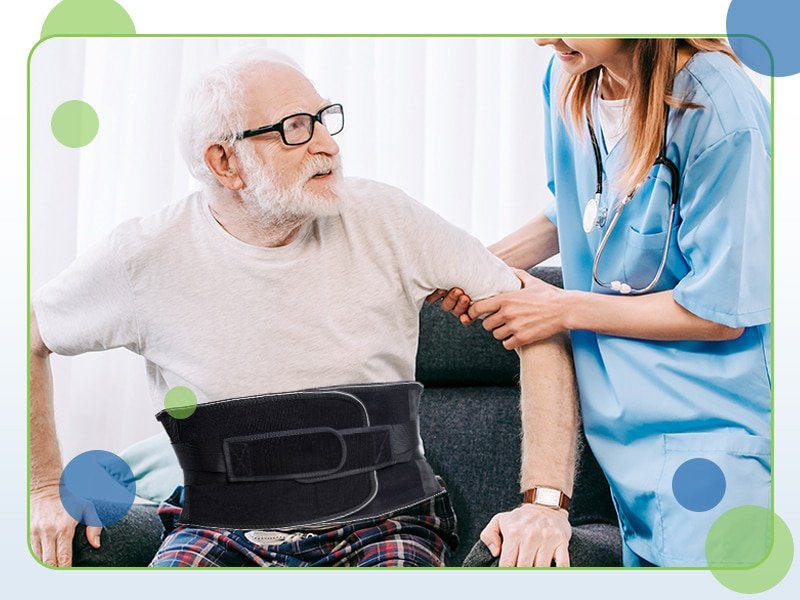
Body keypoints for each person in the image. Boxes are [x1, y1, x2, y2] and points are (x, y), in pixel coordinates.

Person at [29, 49, 579, 568]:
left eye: (324, 118)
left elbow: (540, 322)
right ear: (224, 161)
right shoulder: (142, 257)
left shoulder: (387, 217)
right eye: (296, 128)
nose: (328, 145)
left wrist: (545, 502)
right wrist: (43, 489)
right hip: (218, 525)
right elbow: (27, 336)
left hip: (385, 523)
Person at [435, 38, 771, 567]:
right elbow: (583, 208)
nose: (546, 36)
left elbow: (721, 310)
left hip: (711, 434)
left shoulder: (717, 102)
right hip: (622, 437)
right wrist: (473, 266)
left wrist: (563, 308)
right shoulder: (568, 77)